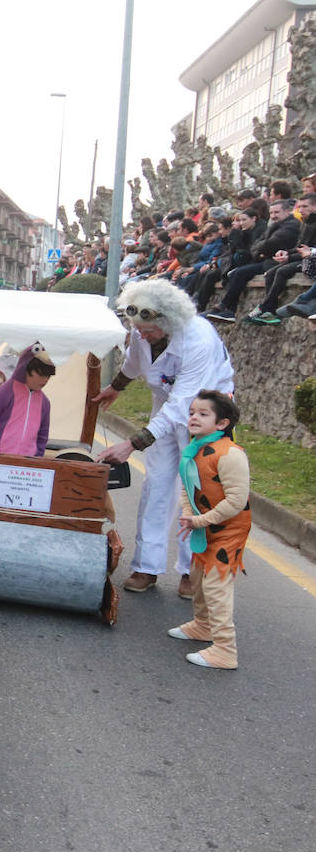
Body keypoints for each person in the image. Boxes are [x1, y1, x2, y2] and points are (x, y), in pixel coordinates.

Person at [95, 280, 235, 599]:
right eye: (138, 329)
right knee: (156, 484)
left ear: (168, 321)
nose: (142, 335)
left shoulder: (197, 338)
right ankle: (147, 566)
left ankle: (191, 570)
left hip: (206, 409)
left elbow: (183, 405)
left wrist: (133, 443)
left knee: (196, 489)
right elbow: (134, 360)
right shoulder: (144, 332)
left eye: (148, 330)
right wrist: (116, 386)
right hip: (168, 402)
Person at [170, 391, 250, 670]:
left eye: (203, 414)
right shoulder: (195, 449)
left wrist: (199, 521)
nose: (194, 417)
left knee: (216, 585)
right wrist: (189, 514)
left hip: (229, 530)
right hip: (206, 526)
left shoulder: (230, 454)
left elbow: (236, 501)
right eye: (193, 411)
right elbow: (187, 487)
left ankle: (226, 650)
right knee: (198, 576)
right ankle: (203, 626)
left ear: (222, 424)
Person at [205, 196, 299, 322]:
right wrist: (259, 250)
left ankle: (231, 308)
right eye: (271, 212)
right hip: (267, 260)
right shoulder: (274, 226)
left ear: (287, 212)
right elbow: (257, 245)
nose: (273, 215)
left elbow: (268, 244)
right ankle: (228, 309)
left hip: (274, 262)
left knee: (239, 272)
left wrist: (260, 250)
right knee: (235, 273)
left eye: (277, 212)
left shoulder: (290, 225)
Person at [0, 344, 56, 457]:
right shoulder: (1, 394)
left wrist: (36, 461)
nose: (45, 379)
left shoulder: (44, 403)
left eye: (48, 375)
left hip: (27, 467)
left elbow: (42, 437)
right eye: (41, 373)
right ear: (26, 369)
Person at [246, 193, 316, 323]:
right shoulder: (305, 222)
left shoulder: (298, 224)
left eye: (305, 206)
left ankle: (267, 309)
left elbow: (309, 250)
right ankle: (268, 308)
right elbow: (300, 247)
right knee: (270, 273)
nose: (301, 210)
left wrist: (289, 257)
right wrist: (286, 253)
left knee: (281, 271)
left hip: (310, 260)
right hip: (305, 257)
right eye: (299, 206)